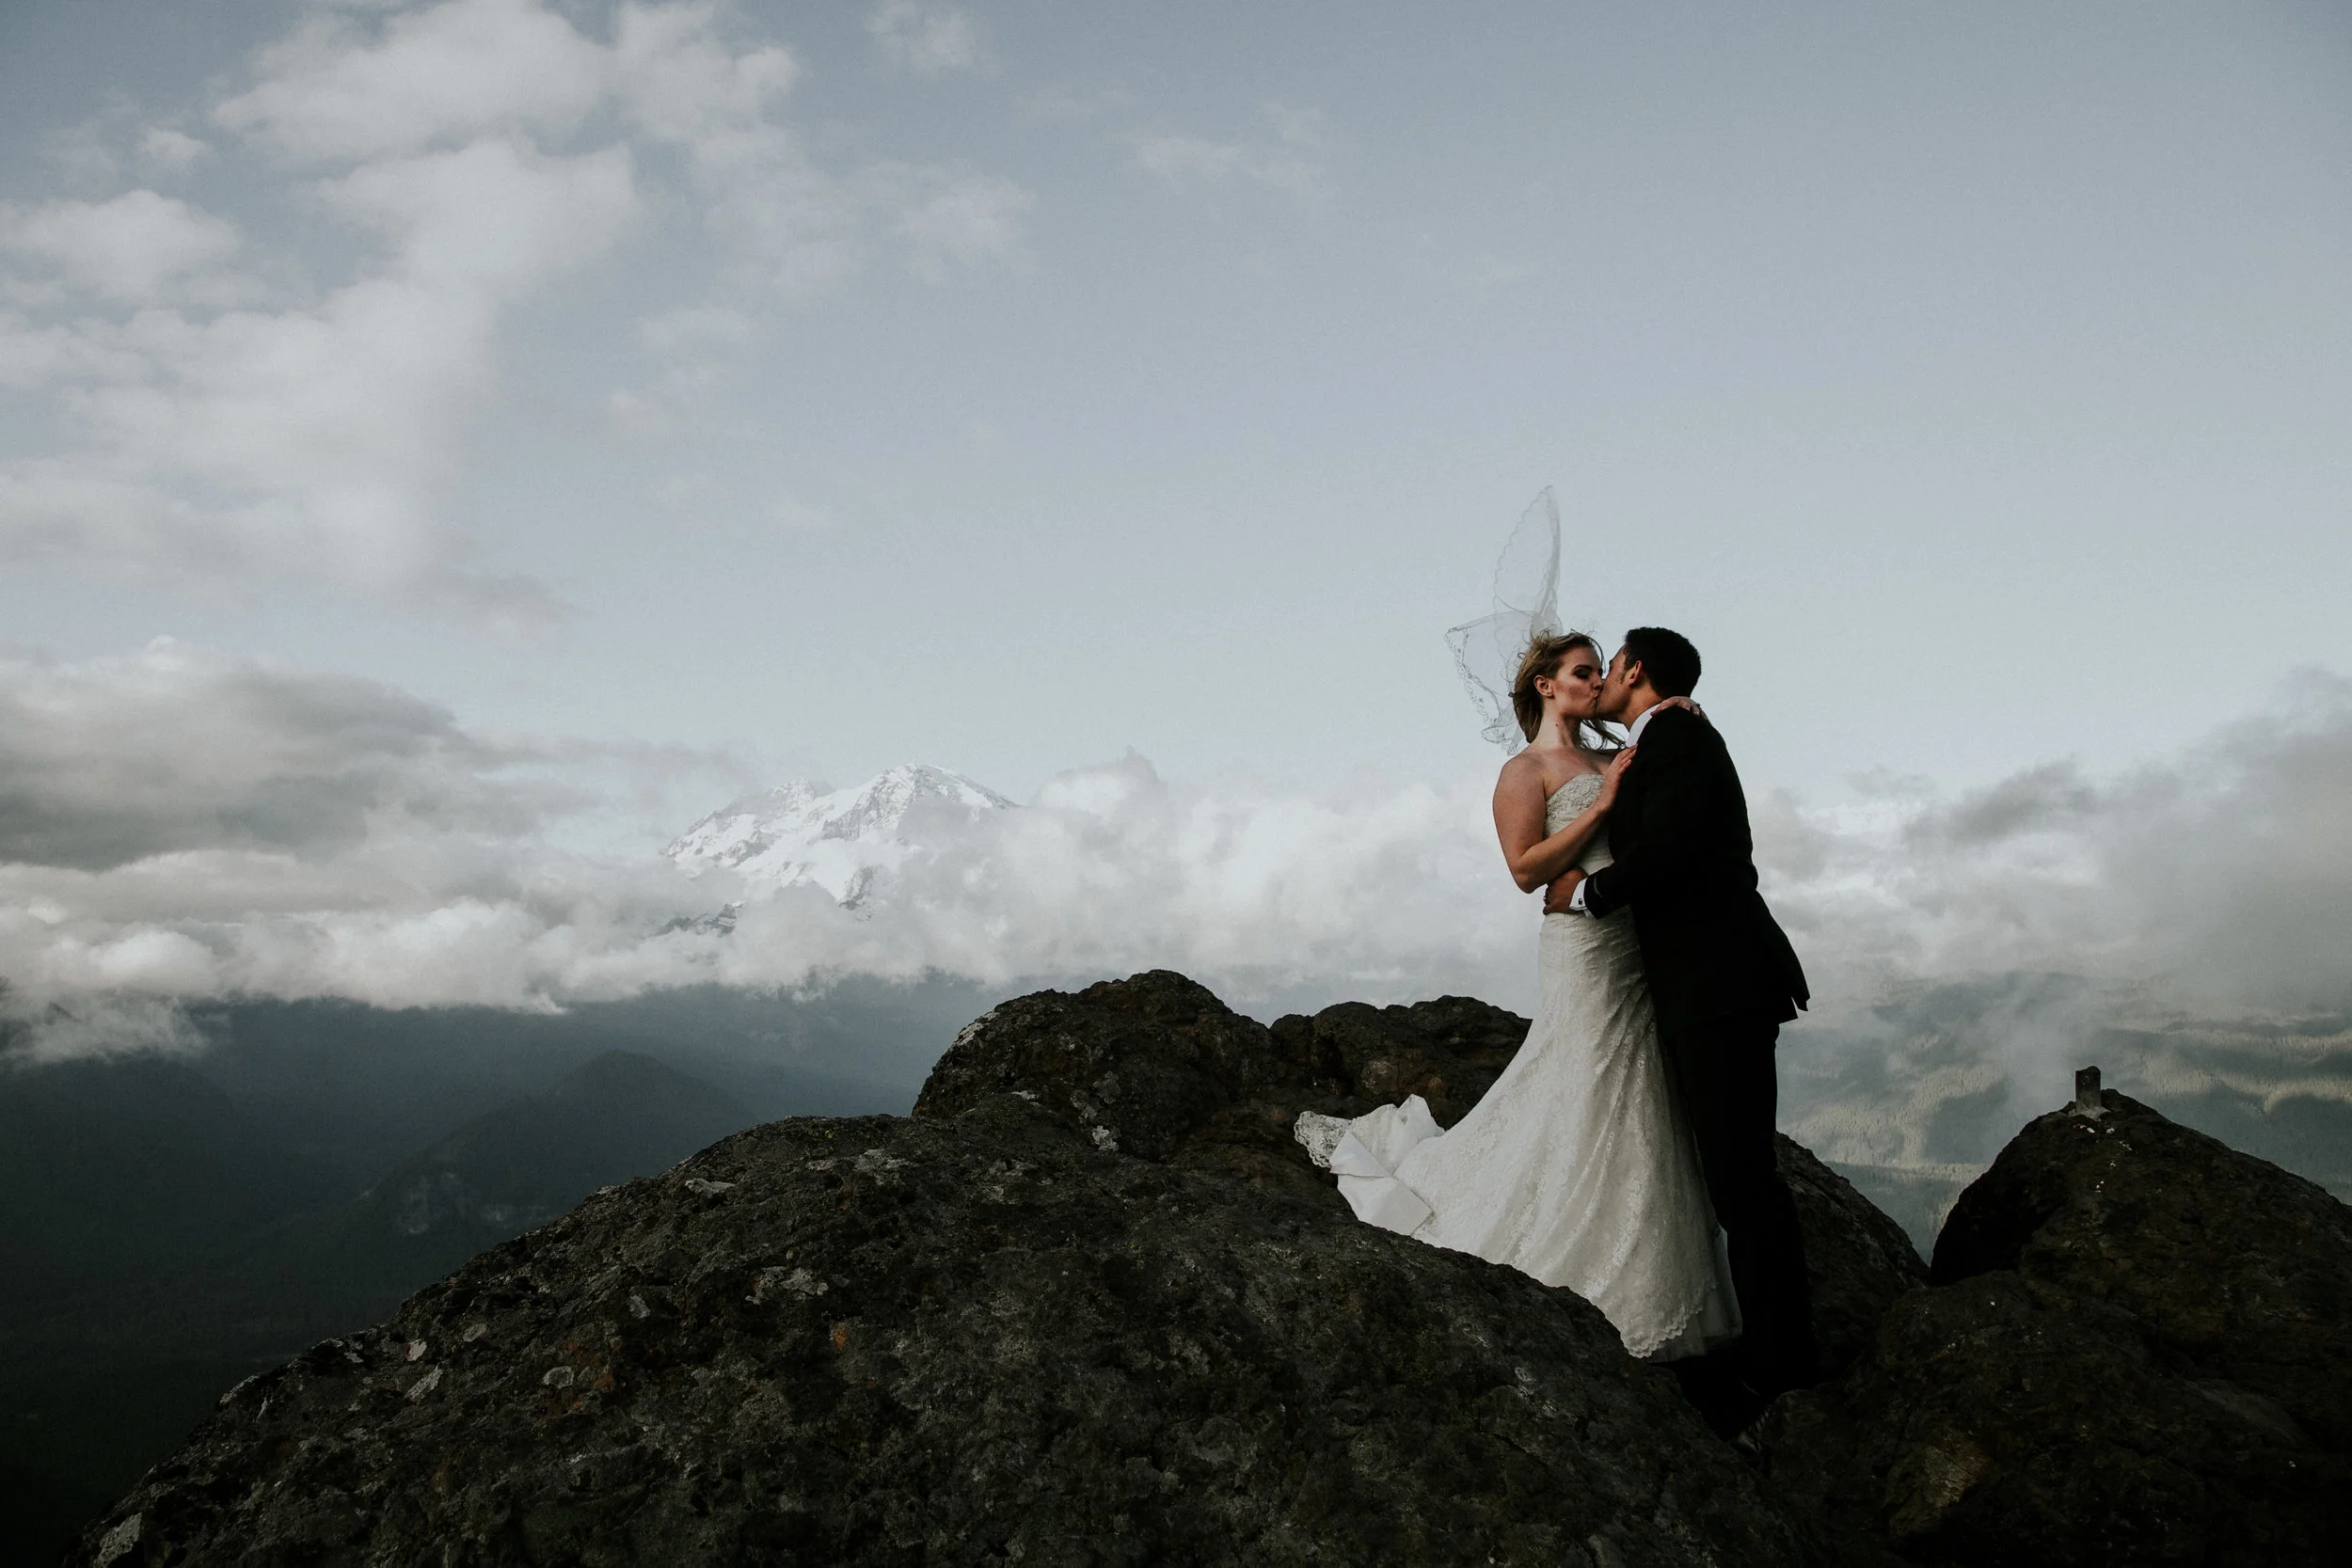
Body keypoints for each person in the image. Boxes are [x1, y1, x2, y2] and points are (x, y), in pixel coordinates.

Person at [1295, 622, 1742, 1364]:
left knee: (1640, 1080)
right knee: (1581, 1067)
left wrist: (1681, 709)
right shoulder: (1522, 773)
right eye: (1582, 669)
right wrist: (1600, 808)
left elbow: (1665, 784)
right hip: (1579, 942)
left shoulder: (1616, 751)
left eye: (1603, 669)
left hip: (1636, 945)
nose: (1597, 679)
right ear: (1546, 684)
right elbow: (1525, 869)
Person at [1550, 626, 1818, 1416]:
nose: (1601, 674)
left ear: (1635, 670)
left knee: (1744, 1183)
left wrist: (1586, 896)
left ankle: (1782, 1365)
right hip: (1706, 983)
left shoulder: (1678, 738)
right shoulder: (1662, 737)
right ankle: (1777, 1350)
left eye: (1612, 662)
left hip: (1719, 983)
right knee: (1735, 1176)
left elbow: (1664, 851)